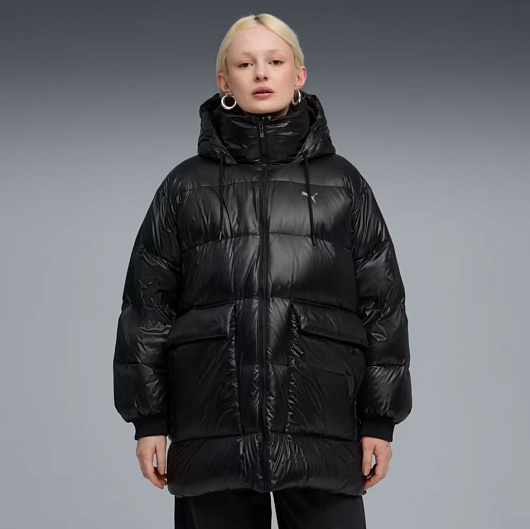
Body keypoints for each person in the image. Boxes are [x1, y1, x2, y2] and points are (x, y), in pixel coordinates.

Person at [113, 12, 412, 529]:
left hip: (323, 421)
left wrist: (380, 421)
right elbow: (147, 308)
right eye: (245, 64)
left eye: (275, 61)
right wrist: (149, 420)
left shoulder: (343, 184)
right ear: (224, 82)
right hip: (213, 423)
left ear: (299, 75)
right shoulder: (185, 186)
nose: (261, 73)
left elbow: (383, 306)